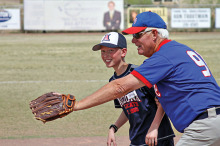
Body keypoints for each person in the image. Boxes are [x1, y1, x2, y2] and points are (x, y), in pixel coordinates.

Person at [57, 11, 220, 145]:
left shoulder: (163, 57)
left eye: (138, 35)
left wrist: (77, 105)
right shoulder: (179, 50)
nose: (134, 41)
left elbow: (120, 87)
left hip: (204, 126)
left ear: (154, 34)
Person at [92, 32, 175, 146]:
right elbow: (129, 108)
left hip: (157, 138)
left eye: (111, 50)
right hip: (137, 139)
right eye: (103, 51)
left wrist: (154, 128)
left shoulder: (139, 74)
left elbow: (161, 101)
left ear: (123, 52)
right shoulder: (113, 82)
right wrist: (113, 128)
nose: (106, 55)